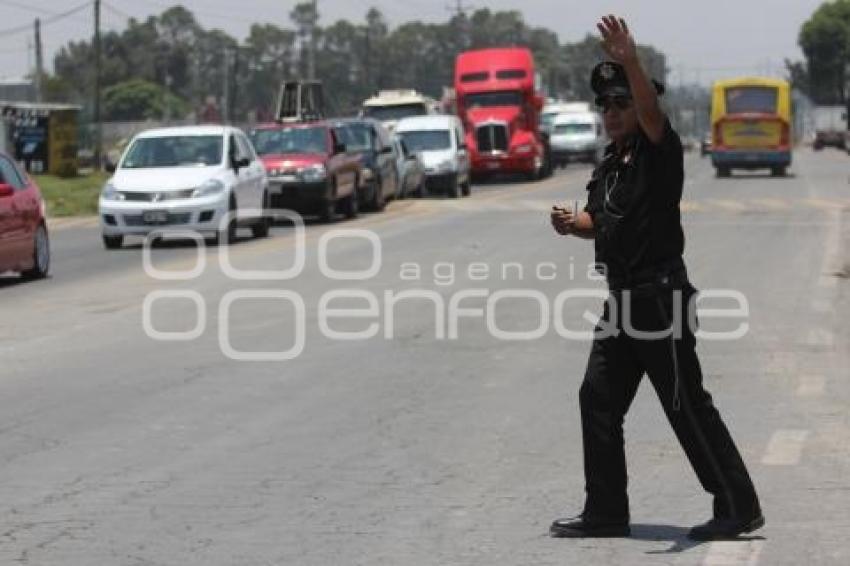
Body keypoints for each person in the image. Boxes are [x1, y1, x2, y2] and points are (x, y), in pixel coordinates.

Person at [549, 15, 763, 541]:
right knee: (596, 397)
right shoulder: (611, 166)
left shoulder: (657, 150)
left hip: (659, 297)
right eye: (606, 105)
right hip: (620, 301)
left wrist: (630, 60)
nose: (612, 112)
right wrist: (571, 224)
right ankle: (605, 511)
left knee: (684, 402)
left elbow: (650, 112)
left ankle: (738, 504)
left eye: (621, 102)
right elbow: (599, 222)